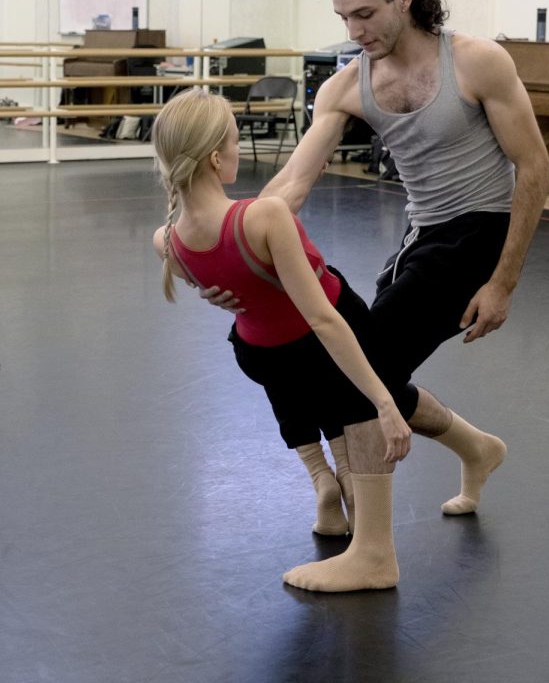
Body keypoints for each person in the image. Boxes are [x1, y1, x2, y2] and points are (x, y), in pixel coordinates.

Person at [206, 0, 549, 578]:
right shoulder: (346, 86)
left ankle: (374, 554)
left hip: (478, 233)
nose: (354, 28)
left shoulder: (476, 60)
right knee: (361, 369)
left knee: (354, 375)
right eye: (343, 16)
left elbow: (534, 169)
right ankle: (476, 447)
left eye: (365, 12)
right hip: (419, 240)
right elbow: (289, 188)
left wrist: (503, 280)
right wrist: (229, 250)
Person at [152, 88, 413, 592]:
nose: (239, 150)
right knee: (345, 399)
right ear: (214, 157)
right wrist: (383, 401)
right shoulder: (264, 216)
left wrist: (217, 293)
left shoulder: (167, 240)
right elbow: (324, 319)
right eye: (234, 142)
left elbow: (219, 280)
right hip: (310, 343)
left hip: (256, 351)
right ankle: (353, 495)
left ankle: (325, 491)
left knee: (297, 401)